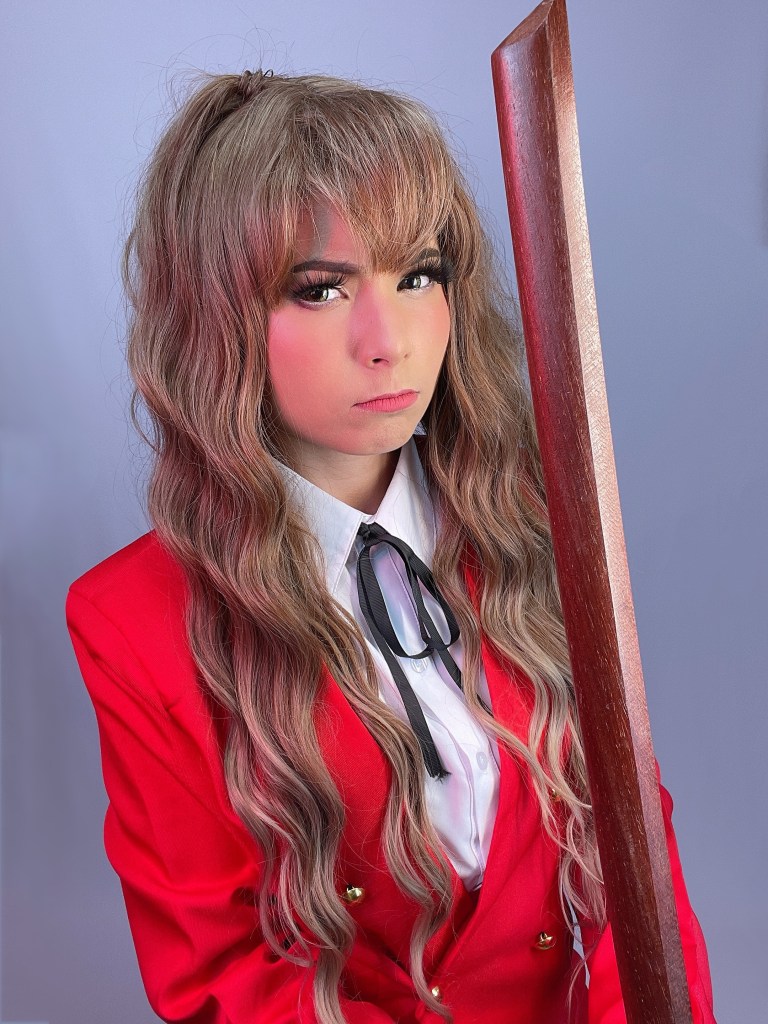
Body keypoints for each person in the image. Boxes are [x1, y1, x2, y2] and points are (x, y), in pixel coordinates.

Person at [65, 69, 716, 1024]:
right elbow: (226, 976)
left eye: (417, 275)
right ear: (217, 318)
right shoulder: (132, 621)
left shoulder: (534, 522)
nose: (389, 341)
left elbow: (635, 851)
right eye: (321, 289)